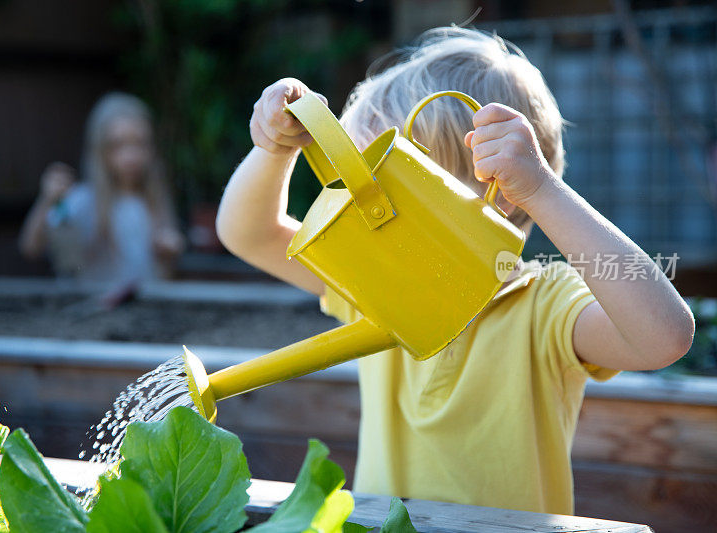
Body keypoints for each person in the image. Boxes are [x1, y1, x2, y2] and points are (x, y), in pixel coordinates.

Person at [215, 27, 694, 514]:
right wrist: (274, 151)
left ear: (493, 192)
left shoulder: (542, 303)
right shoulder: (376, 285)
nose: (356, 215)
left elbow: (664, 337)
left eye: (376, 189)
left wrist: (543, 191)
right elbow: (248, 234)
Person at [19, 92, 184, 301]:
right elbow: (31, 247)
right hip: (95, 313)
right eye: (118, 145)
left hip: (143, 314)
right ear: (100, 151)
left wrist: (170, 249)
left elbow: (164, 264)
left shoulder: (153, 201)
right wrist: (46, 201)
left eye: (139, 144)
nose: (130, 156)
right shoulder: (83, 201)